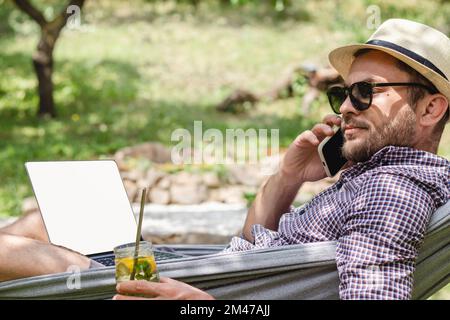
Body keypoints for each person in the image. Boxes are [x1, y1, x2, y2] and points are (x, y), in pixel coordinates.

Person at [1, 19, 449, 300]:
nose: (347, 108)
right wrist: (289, 176)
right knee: (38, 224)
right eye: (343, 94)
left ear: (431, 108)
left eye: (366, 92)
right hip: (198, 270)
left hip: (170, 286)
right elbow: (251, 256)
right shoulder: (372, 177)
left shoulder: (394, 194)